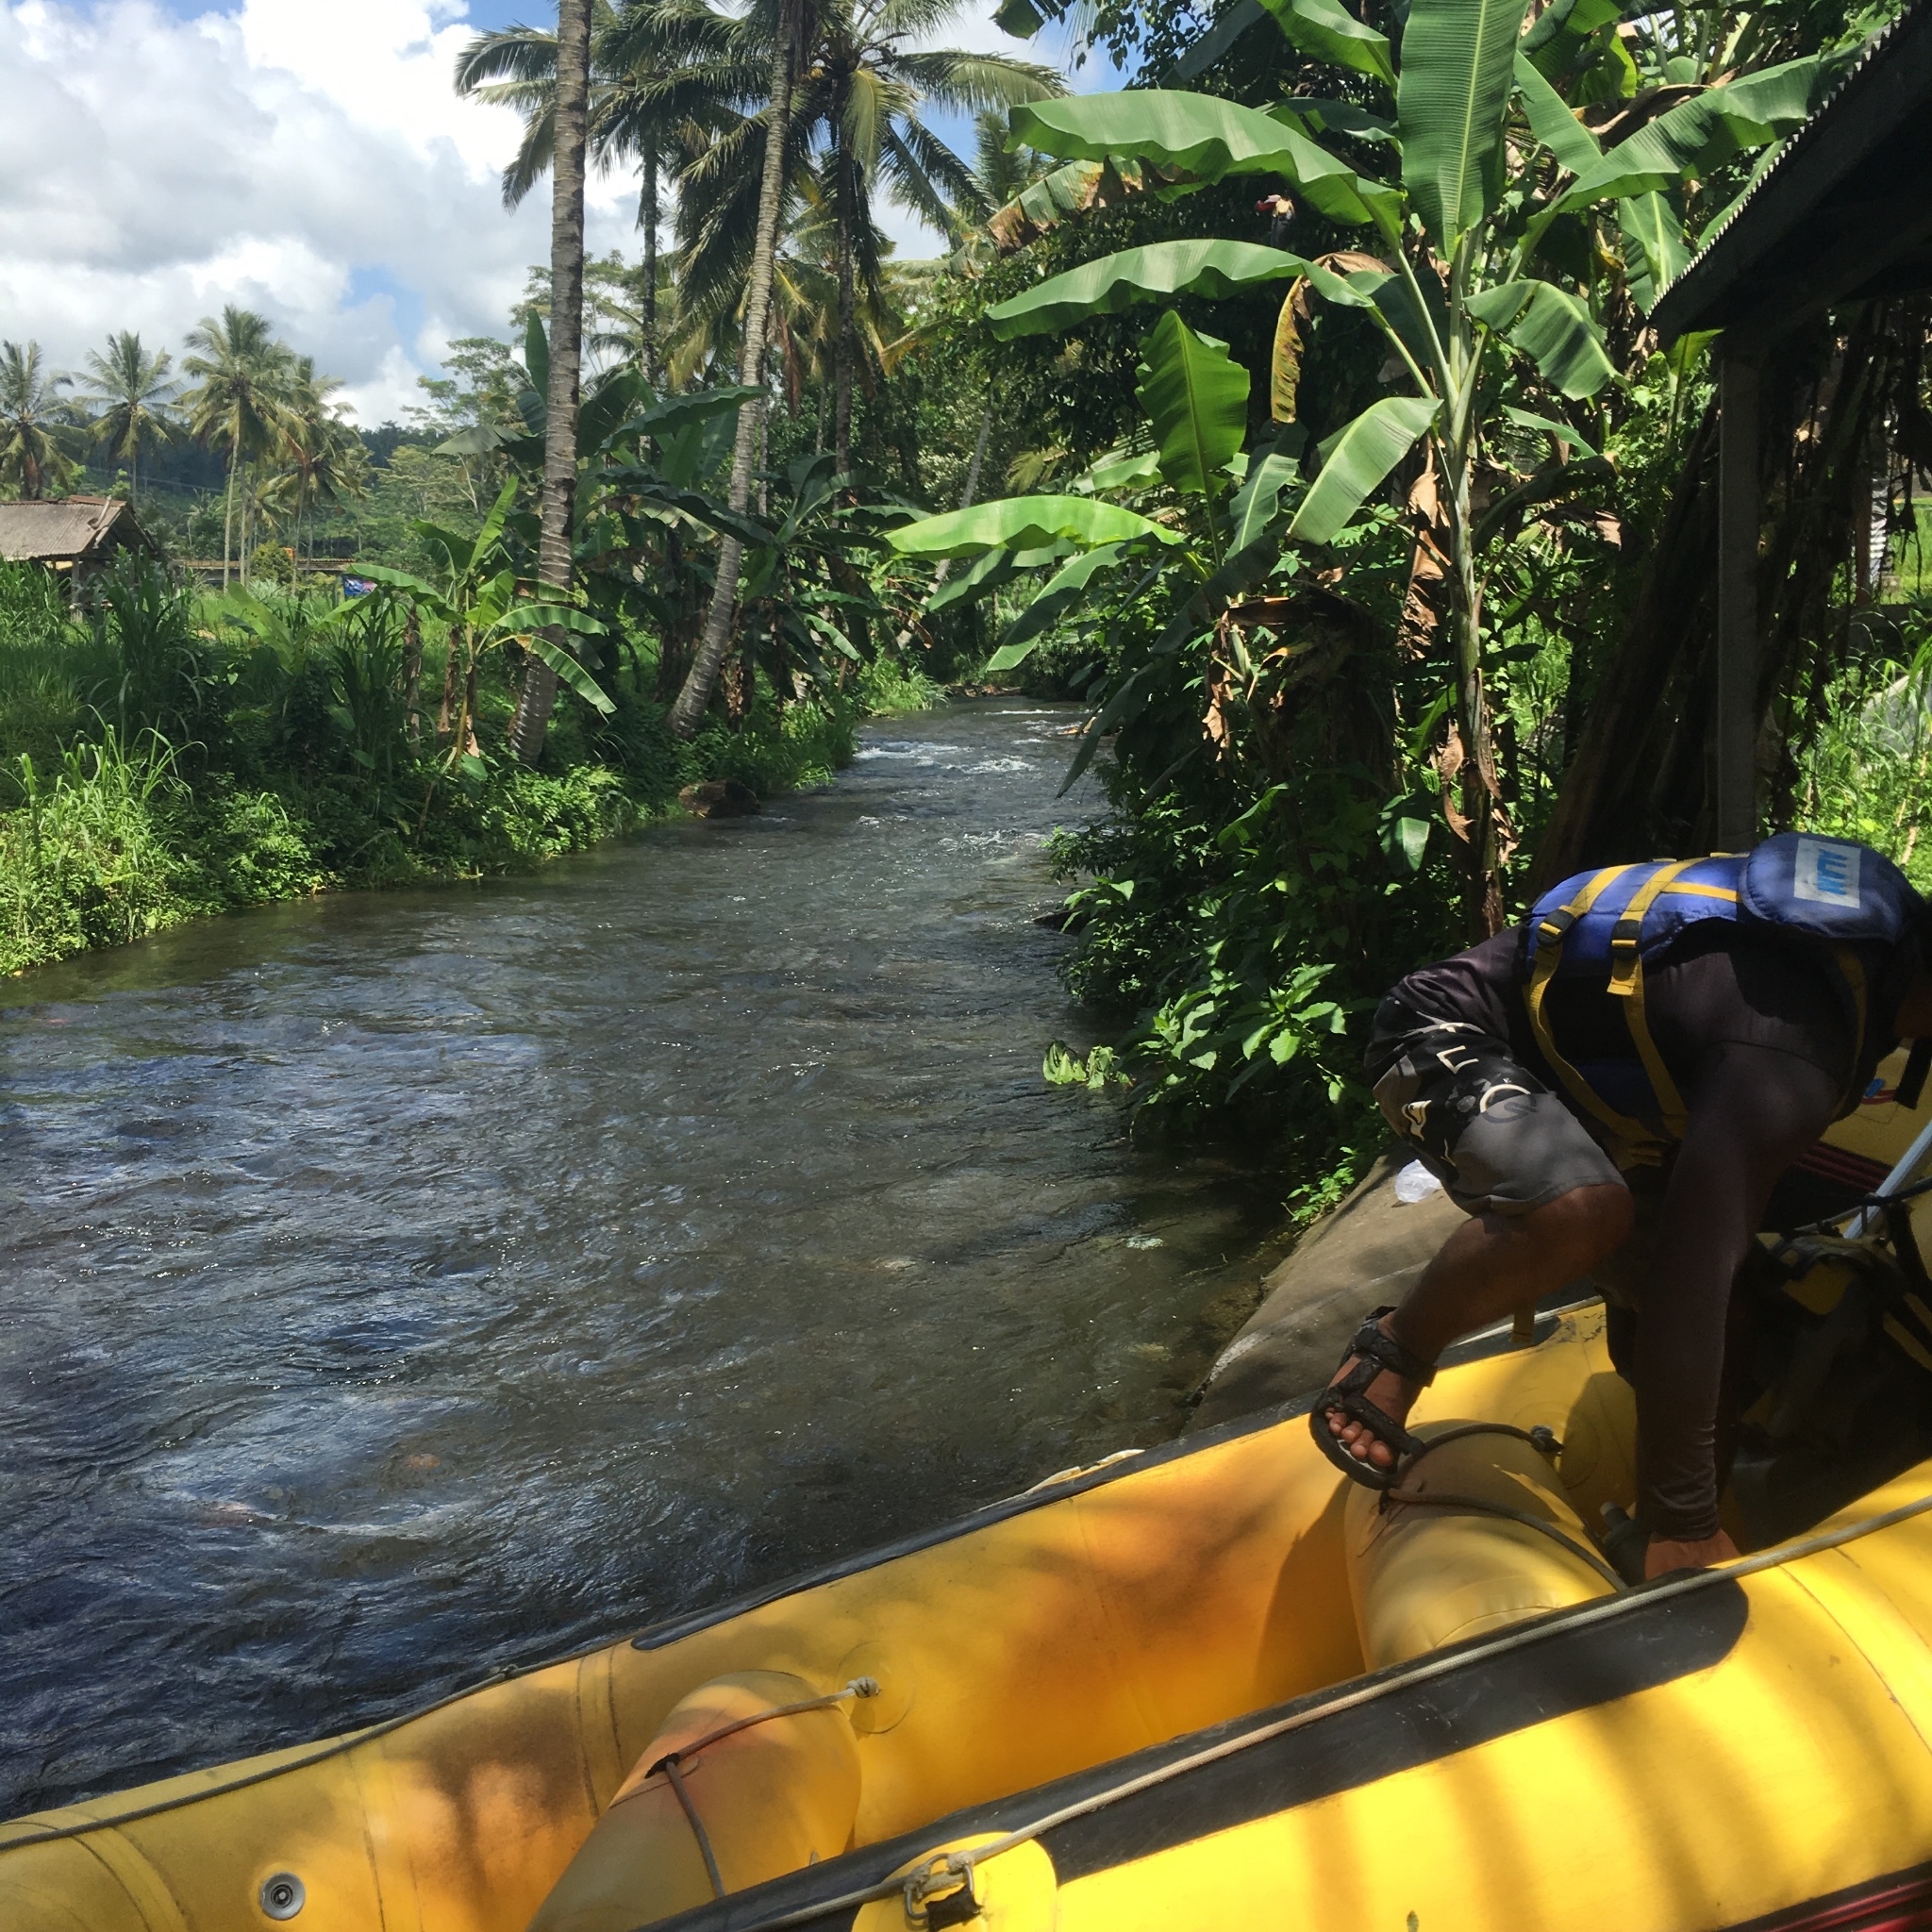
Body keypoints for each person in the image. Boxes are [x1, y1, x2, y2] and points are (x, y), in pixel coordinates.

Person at [1312, 834, 1932, 1580]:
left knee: (1735, 1298)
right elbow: (1688, 1279)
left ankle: (1652, 1524)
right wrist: (1687, 1522)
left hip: (1609, 1101)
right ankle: (1394, 1349)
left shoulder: (1882, 957)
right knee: (1585, 1212)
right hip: (1445, 1033)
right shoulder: (1791, 1050)